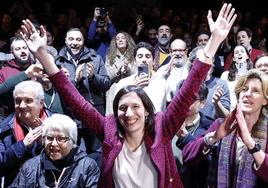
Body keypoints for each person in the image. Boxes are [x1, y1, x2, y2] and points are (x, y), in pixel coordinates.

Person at [20, 3, 236, 187]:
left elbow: (189, 89)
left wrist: (214, 41)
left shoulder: (163, 125)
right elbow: (75, 101)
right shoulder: (109, 128)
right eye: (122, 107)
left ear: (147, 110)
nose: (128, 112)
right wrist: (41, 54)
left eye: (136, 106)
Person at [183, 69, 268, 187]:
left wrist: (251, 144)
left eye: (256, 91)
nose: (247, 94)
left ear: (265, 100)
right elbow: (187, 156)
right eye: (244, 89)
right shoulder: (221, 124)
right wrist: (213, 137)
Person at [10, 114, 100, 187]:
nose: (54, 143)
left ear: (72, 142)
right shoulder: (30, 167)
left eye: (61, 138)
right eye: (49, 138)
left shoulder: (87, 167)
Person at [0, 80, 47, 187]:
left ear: (41, 103)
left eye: (28, 100)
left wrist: (43, 144)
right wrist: (22, 145)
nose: (21, 105)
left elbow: (70, 161)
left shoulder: (57, 123)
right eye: (18, 101)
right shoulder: (4, 128)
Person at [56, 28, 110, 115]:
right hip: (70, 113)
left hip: (94, 111)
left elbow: (107, 84)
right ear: (66, 41)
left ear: (83, 41)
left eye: (78, 40)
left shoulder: (95, 59)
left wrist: (93, 77)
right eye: (71, 39)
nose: (74, 43)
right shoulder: (58, 61)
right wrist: (75, 80)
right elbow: (56, 90)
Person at [105, 31, 137, 115]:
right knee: (112, 116)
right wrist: (118, 70)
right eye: (117, 39)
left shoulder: (134, 56)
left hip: (129, 89)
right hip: (114, 90)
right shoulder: (109, 57)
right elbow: (107, 76)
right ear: (115, 43)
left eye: (123, 38)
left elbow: (136, 73)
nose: (120, 40)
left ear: (127, 41)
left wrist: (127, 69)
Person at [221, 44, 253, 111]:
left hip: (249, 110)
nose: (239, 53)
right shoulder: (225, 75)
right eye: (236, 52)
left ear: (247, 56)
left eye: (242, 51)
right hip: (230, 111)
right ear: (233, 59)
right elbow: (221, 96)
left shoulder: (253, 75)